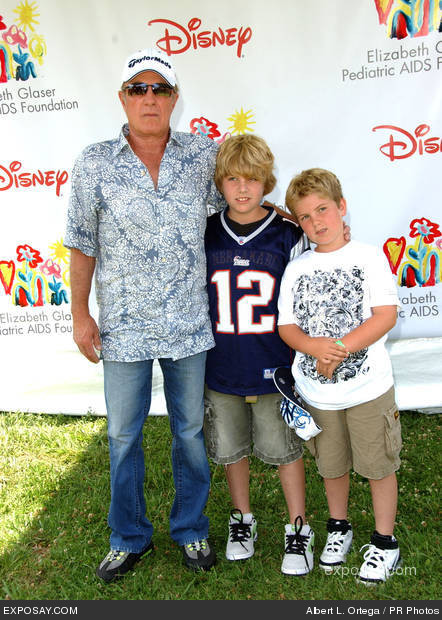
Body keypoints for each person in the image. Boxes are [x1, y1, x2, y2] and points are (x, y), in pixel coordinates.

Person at [64, 48, 228, 582]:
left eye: (160, 88)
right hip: (124, 325)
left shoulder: (204, 156)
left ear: (175, 98)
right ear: (122, 98)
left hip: (188, 322)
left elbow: (242, 200)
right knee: (122, 435)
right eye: (138, 88)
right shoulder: (93, 162)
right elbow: (82, 244)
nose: (150, 97)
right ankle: (128, 537)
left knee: (188, 432)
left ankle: (191, 528)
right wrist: (80, 315)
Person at [204, 134, 326, 576]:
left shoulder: (288, 234)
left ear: (267, 182)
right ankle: (243, 520)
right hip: (221, 363)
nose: (242, 189)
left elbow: (315, 283)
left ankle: (298, 528)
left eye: (252, 180)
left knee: (284, 449)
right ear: (220, 182)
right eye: (233, 178)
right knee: (232, 448)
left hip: (276, 367)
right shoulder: (206, 229)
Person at [277, 168, 402, 584]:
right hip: (319, 393)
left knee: (377, 464)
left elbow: (385, 315)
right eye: (305, 217)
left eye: (323, 210)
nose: (316, 223)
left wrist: (340, 348)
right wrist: (314, 348)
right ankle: (338, 528)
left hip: (368, 388)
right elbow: (287, 327)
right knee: (331, 465)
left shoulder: (368, 257)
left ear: (342, 206)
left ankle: (384, 542)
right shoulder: (296, 268)